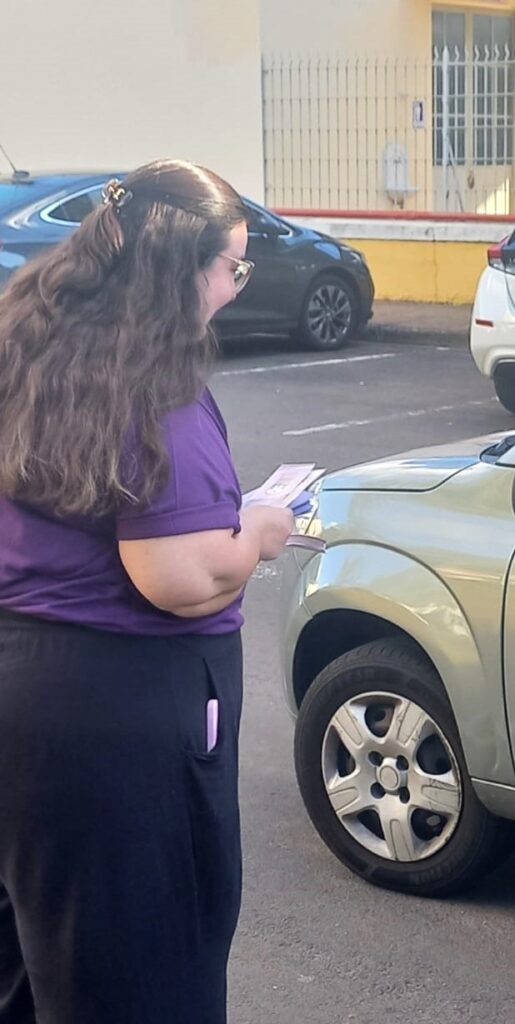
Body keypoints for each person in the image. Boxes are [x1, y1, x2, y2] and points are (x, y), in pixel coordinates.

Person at [0, 160, 293, 1023]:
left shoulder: (26, 332)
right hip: (118, 715)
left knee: (30, 951)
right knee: (145, 963)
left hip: (19, 679)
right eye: (233, 267)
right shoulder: (154, 384)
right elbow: (180, 576)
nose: (237, 286)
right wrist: (263, 529)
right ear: (180, 269)